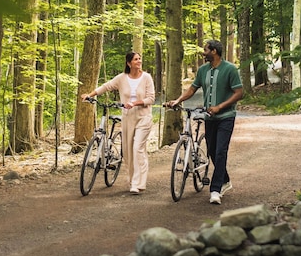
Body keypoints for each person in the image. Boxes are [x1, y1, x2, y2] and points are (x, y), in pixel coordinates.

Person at [164, 39, 244, 205]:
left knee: (221, 151)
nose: (203, 52)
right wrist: (178, 100)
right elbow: (192, 89)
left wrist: (220, 106)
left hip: (226, 117)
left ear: (214, 51)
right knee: (213, 152)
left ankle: (215, 190)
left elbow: (239, 92)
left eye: (206, 50)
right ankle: (225, 180)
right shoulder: (203, 70)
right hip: (209, 118)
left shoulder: (230, 69)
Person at [82, 51, 155, 194]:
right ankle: (132, 180)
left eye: (140, 59)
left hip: (143, 117)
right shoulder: (122, 78)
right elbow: (106, 86)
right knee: (127, 151)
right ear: (129, 63)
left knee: (137, 149)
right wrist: (89, 95)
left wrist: (135, 103)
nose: (139, 61)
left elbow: (151, 99)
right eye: (136, 59)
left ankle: (137, 183)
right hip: (128, 118)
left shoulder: (147, 77)